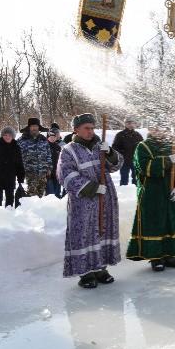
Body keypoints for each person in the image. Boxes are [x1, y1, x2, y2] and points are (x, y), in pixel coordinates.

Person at [57, 114, 123, 288]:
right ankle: (85, 272)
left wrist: (109, 153)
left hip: (105, 198)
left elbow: (115, 166)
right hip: (83, 202)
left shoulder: (99, 147)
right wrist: (91, 188)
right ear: (76, 129)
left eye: (92, 128)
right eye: (86, 128)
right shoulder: (68, 150)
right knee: (83, 234)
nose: (90, 131)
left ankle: (100, 267)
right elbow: (65, 175)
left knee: (103, 230)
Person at [127, 126, 175, 271]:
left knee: (172, 222)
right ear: (151, 129)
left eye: (163, 128)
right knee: (155, 224)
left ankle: (171, 254)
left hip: (172, 193)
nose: (160, 131)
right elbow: (146, 167)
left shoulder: (172, 146)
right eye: (157, 128)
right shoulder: (142, 146)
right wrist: (167, 160)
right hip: (152, 194)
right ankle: (155, 256)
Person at [17, 118, 52, 198]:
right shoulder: (22, 141)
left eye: (36, 126)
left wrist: (49, 168)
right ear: (29, 127)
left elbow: (48, 155)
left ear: (38, 128)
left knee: (41, 196)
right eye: (32, 126)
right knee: (31, 196)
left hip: (43, 173)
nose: (34, 128)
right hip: (30, 173)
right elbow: (17, 157)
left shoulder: (43, 140)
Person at [112, 117, 144, 186]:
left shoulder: (137, 135)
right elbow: (115, 147)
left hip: (135, 161)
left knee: (136, 179)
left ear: (135, 124)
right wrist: (122, 154)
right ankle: (124, 193)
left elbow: (142, 147)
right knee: (124, 179)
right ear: (125, 124)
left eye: (132, 123)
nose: (131, 125)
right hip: (124, 161)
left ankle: (135, 194)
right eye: (129, 123)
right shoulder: (120, 135)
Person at [45, 128, 64, 198]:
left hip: (57, 173)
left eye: (54, 137)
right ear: (48, 137)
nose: (52, 138)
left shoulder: (58, 147)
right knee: (50, 194)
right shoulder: (44, 146)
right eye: (51, 137)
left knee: (57, 192)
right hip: (48, 174)